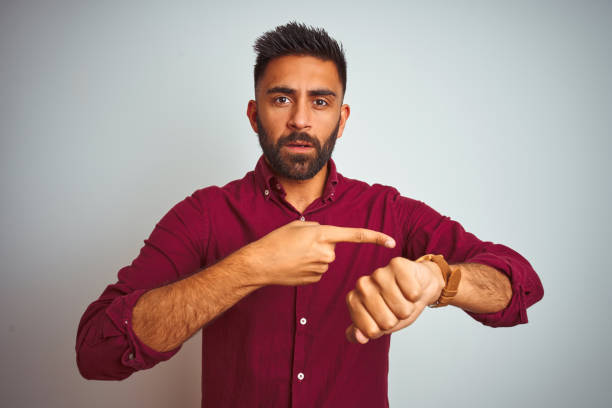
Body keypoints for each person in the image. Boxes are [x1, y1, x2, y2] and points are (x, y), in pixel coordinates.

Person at [76, 22, 544, 407]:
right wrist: (250, 266)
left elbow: (520, 285)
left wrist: (439, 281)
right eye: (281, 99)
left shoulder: (389, 212)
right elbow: (97, 350)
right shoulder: (203, 215)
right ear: (255, 115)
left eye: (320, 102)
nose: (300, 119)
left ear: (340, 119)